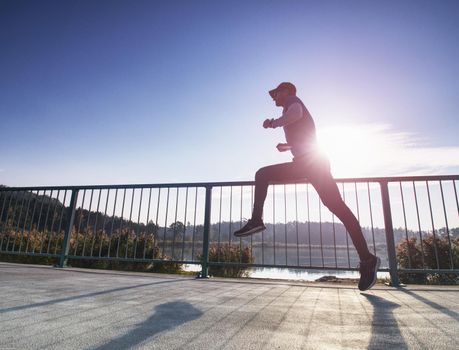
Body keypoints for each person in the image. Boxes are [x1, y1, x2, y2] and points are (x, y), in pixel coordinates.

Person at [234, 82, 380, 291]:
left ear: (286, 92)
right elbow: (304, 136)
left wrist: (273, 123)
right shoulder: (291, 108)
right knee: (339, 209)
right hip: (310, 163)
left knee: (263, 174)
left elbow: (296, 113)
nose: (273, 98)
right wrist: (288, 146)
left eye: (275, 94)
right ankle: (367, 259)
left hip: (311, 164)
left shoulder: (293, 102)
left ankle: (257, 220)